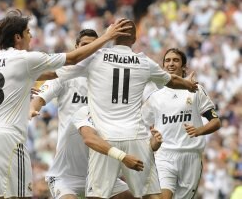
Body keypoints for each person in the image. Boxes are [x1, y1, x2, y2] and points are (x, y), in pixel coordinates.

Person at [0, 9, 132, 199]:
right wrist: (106, 37)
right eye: (27, 32)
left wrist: (18, 92)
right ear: (17, 37)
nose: (30, 36)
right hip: (10, 139)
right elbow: (71, 59)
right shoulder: (25, 59)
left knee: (1, 196)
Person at [54, 20, 198, 199]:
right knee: (151, 195)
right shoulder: (144, 61)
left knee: (97, 195)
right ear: (135, 38)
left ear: (112, 34)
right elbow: (173, 81)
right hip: (136, 137)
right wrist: (188, 85)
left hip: (105, 137)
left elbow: (58, 70)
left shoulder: (96, 57)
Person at [30, 29, 137, 199]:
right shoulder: (64, 76)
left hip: (98, 167)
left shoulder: (108, 80)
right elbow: (40, 97)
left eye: (94, 46)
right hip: (66, 173)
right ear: (77, 47)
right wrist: (32, 108)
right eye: (85, 46)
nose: (90, 50)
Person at [142, 48, 221, 199]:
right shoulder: (155, 96)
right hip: (164, 155)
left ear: (184, 66)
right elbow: (143, 124)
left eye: (176, 60)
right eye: (167, 60)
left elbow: (216, 122)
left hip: (191, 156)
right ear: (163, 65)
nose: (171, 63)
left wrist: (199, 130)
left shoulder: (195, 90)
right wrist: (152, 140)